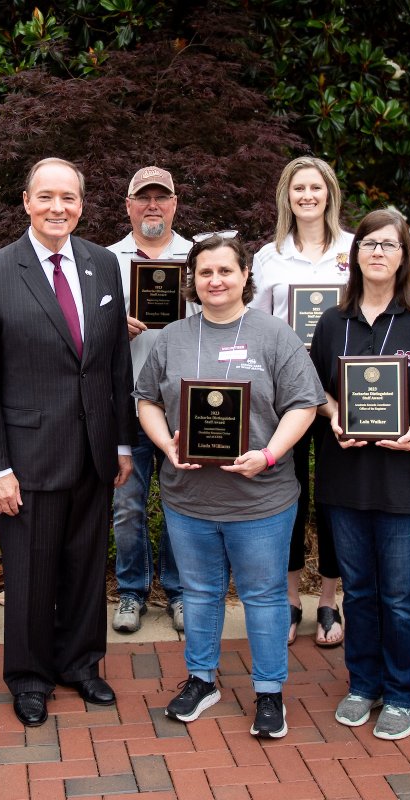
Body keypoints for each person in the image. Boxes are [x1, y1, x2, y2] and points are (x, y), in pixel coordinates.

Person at [0, 157, 134, 728]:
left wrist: (123, 444)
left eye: (70, 198)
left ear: (82, 204)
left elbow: (113, 363)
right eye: (47, 197)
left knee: (86, 565)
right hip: (27, 458)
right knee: (31, 574)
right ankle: (29, 677)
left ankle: (81, 663)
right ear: (27, 201)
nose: (59, 208)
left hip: (94, 451)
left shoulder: (103, 264)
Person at [135, 233, 323, 737]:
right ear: (191, 281)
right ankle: (202, 679)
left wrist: (269, 454)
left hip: (261, 499)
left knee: (263, 597)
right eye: (205, 272)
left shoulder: (274, 335)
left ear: (244, 276)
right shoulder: (171, 337)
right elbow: (146, 400)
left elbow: (305, 403)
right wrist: (167, 446)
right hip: (188, 497)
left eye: (225, 271)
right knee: (199, 592)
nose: (215, 280)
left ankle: (268, 692)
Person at [308, 209, 410, 741]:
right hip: (347, 477)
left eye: (389, 245)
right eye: (369, 243)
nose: (377, 252)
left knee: (400, 595)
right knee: (357, 591)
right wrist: (334, 416)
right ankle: (363, 685)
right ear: (356, 255)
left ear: (405, 257)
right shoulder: (333, 323)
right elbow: (317, 390)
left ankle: (402, 693)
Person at [249, 155, 353, 647]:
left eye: (315, 187)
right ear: (286, 198)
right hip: (285, 392)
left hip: (342, 391)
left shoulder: (355, 251)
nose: (307, 196)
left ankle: (329, 601)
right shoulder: (268, 256)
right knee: (287, 496)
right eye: (298, 189)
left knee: (335, 496)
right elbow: (258, 327)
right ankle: (290, 600)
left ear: (329, 193)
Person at [107, 165, 191, 634]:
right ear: (129, 205)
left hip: (183, 404)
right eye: (144, 198)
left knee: (181, 503)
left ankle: (179, 592)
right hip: (127, 402)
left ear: (175, 204)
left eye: (162, 197)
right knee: (127, 505)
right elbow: (82, 333)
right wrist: (112, 330)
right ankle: (132, 592)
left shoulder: (196, 255)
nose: (152, 205)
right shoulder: (105, 259)